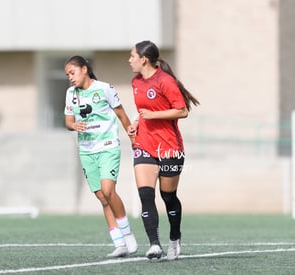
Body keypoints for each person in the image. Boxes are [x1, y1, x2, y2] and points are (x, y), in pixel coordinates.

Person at [127, 40, 200, 260]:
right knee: (146, 195)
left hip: (169, 147)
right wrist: (136, 123)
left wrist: (153, 115)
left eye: (132, 56)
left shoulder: (165, 81)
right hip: (144, 145)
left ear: (144, 59)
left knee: (168, 196)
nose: (129, 60)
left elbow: (182, 111)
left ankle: (175, 237)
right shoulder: (136, 82)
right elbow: (143, 112)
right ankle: (154, 245)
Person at [63, 55, 138, 258]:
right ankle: (119, 243)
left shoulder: (105, 88)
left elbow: (122, 115)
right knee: (102, 197)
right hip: (86, 150)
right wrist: (73, 125)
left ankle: (127, 233)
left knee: (108, 190)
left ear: (84, 69)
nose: (70, 77)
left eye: (73, 72)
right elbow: (68, 121)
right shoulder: (71, 93)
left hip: (107, 146)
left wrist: (132, 137)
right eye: (67, 74)